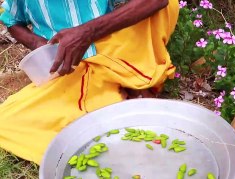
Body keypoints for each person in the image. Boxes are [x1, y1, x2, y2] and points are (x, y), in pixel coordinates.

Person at [0, 0, 179, 165]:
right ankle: (118, 93)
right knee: (6, 122)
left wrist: (88, 32)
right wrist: (37, 43)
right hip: (70, 69)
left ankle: (133, 81)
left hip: (114, 48)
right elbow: (11, 19)